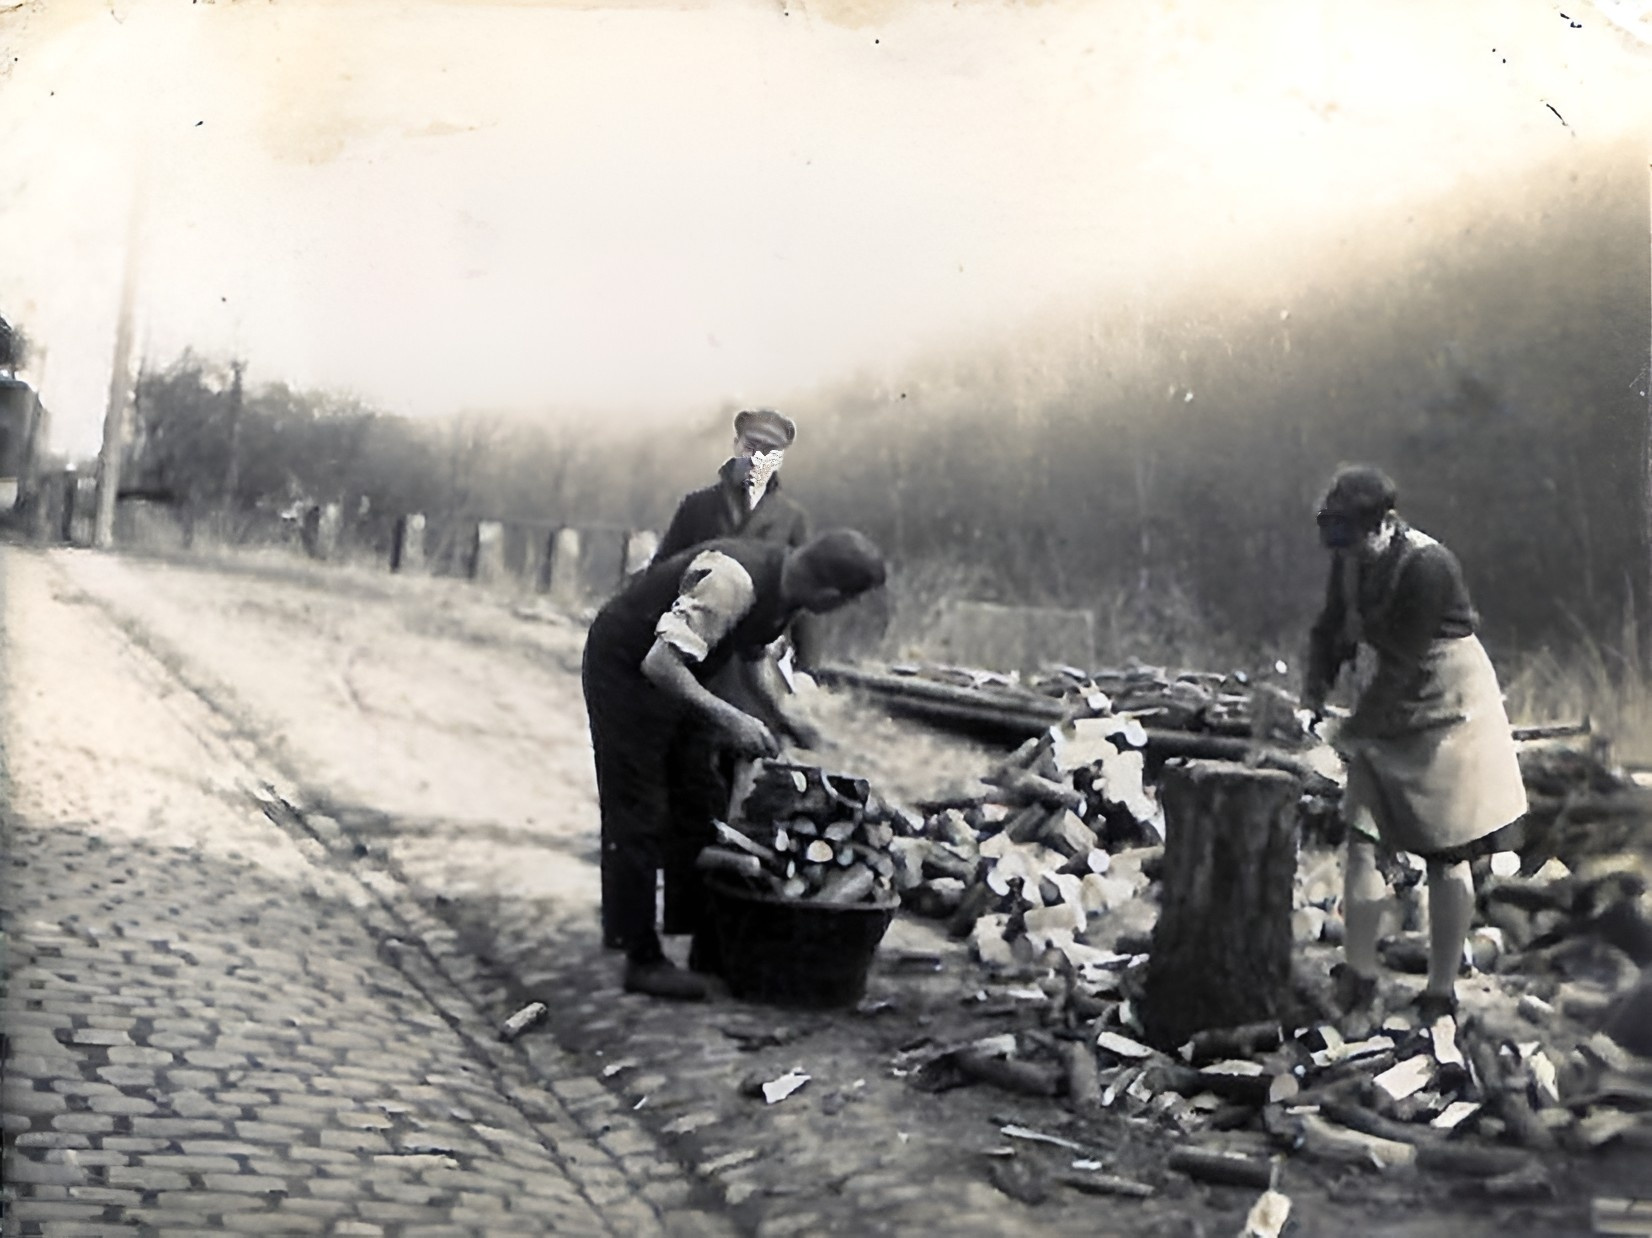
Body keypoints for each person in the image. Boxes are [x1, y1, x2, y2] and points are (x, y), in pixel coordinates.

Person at [582, 529, 887, 1000]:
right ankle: (639, 956)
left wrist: (781, 715)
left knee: (702, 795)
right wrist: (732, 717)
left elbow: (751, 652)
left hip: (684, 668)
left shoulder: (786, 586)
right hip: (627, 667)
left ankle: (702, 936)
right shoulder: (731, 581)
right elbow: (660, 665)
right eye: (844, 603)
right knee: (639, 810)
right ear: (828, 594)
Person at [1300, 464, 1528, 1023]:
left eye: (1358, 542)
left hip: (1448, 702)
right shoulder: (1350, 558)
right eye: (1343, 545)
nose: (1351, 556)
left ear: (1387, 524)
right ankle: (1359, 976)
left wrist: (1348, 737)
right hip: (1390, 698)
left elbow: (1400, 665)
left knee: (1447, 855)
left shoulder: (1429, 566)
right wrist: (1313, 694)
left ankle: (1441, 989)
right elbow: (1331, 628)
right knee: (1362, 838)